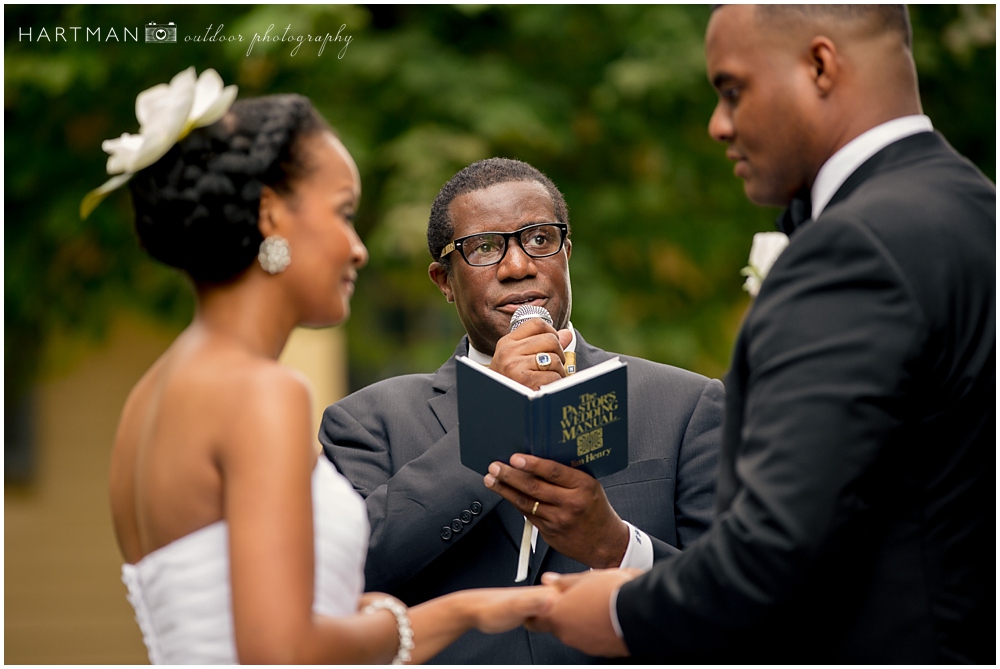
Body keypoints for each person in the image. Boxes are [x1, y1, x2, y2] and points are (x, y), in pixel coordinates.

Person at [529, 5, 994, 663]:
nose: (719, 125)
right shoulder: (979, 209)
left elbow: (777, 549)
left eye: (732, 89)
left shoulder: (853, 250)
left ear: (821, 65)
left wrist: (618, 608)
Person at [96, 67, 554, 664]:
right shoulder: (262, 392)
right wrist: (460, 612)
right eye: (343, 213)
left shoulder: (151, 396)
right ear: (270, 216)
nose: (358, 247)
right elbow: (284, 652)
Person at [320, 157, 724, 663]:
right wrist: (497, 409)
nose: (518, 266)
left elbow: (735, 598)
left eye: (538, 238)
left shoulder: (685, 406)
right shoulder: (365, 422)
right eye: (485, 248)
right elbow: (349, 578)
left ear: (566, 254)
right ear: (443, 281)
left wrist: (617, 546)